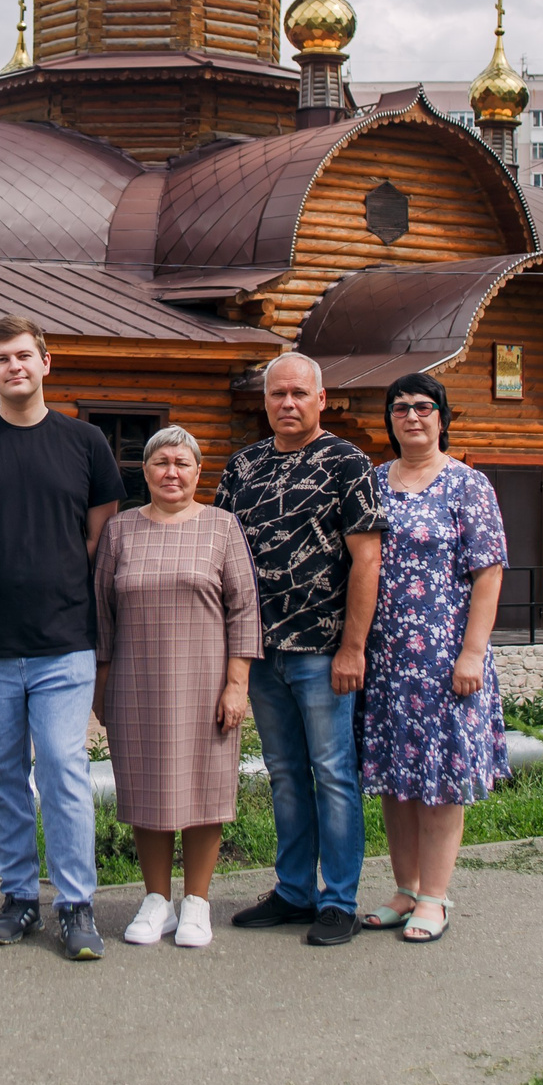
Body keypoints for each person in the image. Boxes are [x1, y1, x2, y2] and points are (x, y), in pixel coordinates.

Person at [0, 314, 127, 962]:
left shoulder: (85, 441)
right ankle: (18, 896)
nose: (15, 367)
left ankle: (76, 904)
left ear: (47, 362)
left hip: (63, 639)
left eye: (25, 356)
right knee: (3, 777)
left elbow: (99, 538)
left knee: (66, 770)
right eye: (1, 359)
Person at [213, 350, 385, 947]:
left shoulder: (347, 464)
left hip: (322, 651)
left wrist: (352, 648)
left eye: (299, 394)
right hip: (260, 652)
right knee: (285, 774)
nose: (288, 404)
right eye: (277, 394)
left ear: (321, 399)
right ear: (265, 402)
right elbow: (224, 559)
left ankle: (338, 900)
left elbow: (368, 560)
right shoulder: (243, 468)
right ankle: (293, 891)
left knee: (334, 773)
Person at [92, 425, 259, 951]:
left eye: (182, 463)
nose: (171, 472)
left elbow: (244, 608)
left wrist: (237, 685)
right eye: (161, 462)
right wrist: (102, 683)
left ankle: (198, 903)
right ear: (145, 471)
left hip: (206, 680)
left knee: (205, 789)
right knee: (147, 790)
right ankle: (156, 900)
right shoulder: (121, 531)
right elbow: (101, 612)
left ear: (197, 471)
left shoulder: (222, 526)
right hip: (136, 680)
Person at [358, 372, 508, 945]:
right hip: (387, 657)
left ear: (443, 416)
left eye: (424, 407)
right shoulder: (373, 483)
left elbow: (488, 573)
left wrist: (473, 652)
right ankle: (404, 889)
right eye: (400, 408)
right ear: (389, 420)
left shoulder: (468, 485)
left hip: (446, 661)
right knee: (397, 778)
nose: (413, 417)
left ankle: (435, 898)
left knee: (439, 778)